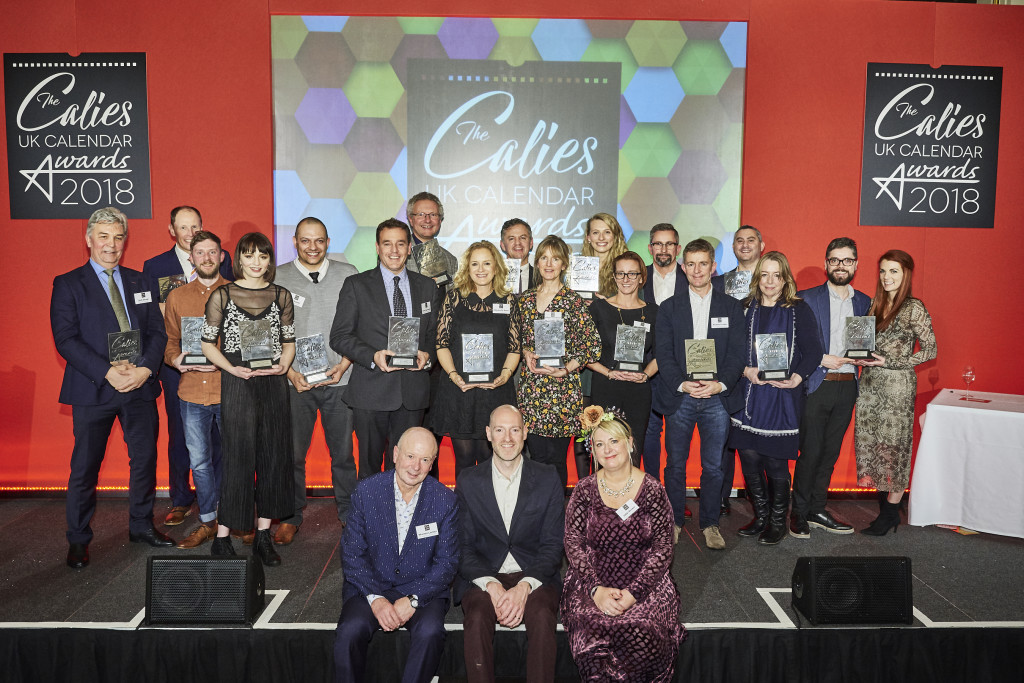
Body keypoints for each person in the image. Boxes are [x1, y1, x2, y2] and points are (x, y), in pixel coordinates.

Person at [51, 207, 174, 568]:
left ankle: (141, 525)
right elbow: (66, 340)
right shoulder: (68, 283)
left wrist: (146, 368)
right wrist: (108, 372)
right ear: (89, 240)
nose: (111, 244)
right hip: (94, 388)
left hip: (139, 386)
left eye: (118, 237)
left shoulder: (141, 282)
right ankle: (77, 540)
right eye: (103, 236)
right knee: (85, 468)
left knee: (145, 461)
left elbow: (157, 332)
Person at [562, 408, 685, 682]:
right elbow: (573, 542)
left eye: (614, 441)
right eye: (599, 444)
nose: (608, 449)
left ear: (630, 443)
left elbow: (664, 547)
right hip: (592, 579)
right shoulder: (584, 490)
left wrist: (634, 594)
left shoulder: (652, 489)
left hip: (645, 581)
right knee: (591, 626)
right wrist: (595, 589)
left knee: (642, 627)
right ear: (591, 450)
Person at [334, 427, 459, 683]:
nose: (416, 466)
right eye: (411, 456)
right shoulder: (366, 492)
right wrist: (376, 599)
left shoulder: (445, 500)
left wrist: (413, 599)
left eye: (425, 460)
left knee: (430, 632)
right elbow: (352, 554)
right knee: (349, 631)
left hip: (423, 589)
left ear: (433, 463)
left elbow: (447, 563)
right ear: (395, 454)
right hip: (369, 586)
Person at [200, 232, 295, 565]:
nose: (257, 263)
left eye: (263, 256)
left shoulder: (281, 295)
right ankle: (223, 540)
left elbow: (288, 340)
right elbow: (207, 343)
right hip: (238, 382)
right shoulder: (222, 295)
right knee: (238, 458)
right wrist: (230, 369)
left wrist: (284, 364)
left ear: (269, 260)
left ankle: (264, 537)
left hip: (272, 383)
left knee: (272, 457)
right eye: (250, 255)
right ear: (238, 258)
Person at [455, 405, 564, 683]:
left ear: (525, 433)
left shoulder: (547, 476)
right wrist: (490, 584)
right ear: (488, 434)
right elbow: (463, 546)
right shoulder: (468, 480)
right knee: (477, 616)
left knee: (540, 615)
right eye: (500, 430)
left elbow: (553, 545)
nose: (508, 438)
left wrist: (525, 585)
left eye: (515, 429)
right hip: (485, 573)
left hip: (534, 573)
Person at [142, 205, 233, 527]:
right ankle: (182, 500)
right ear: (173, 231)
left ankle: (227, 510)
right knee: (184, 441)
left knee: (226, 450)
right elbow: (159, 328)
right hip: (183, 377)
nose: (190, 232)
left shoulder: (231, 287)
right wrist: (174, 359)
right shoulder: (157, 269)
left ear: (220, 255)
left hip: (226, 383)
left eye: (195, 226)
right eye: (184, 227)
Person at [330, 219, 441, 478]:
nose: (394, 250)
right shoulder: (356, 285)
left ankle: (403, 518)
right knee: (369, 467)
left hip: (412, 393)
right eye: (387, 244)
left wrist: (427, 357)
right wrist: (372, 355)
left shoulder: (427, 286)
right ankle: (369, 518)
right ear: (377, 248)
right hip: (371, 391)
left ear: (409, 248)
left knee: (407, 468)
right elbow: (340, 336)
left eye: (401, 244)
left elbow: (435, 335)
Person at [653, 239, 745, 550]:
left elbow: (737, 354)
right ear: (683, 267)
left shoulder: (732, 307)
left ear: (713, 266)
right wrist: (682, 383)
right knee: (675, 464)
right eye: (690, 264)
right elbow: (663, 354)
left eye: (702, 263)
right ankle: (675, 520)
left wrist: (719, 384)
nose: (696, 270)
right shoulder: (669, 308)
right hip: (681, 396)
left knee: (714, 466)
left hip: (717, 398)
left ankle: (710, 524)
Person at [273, 217, 359, 544]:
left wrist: (345, 364)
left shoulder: (347, 274)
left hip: (341, 380)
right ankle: (291, 515)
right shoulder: (277, 276)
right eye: (306, 240)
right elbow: (270, 331)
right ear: (295, 241)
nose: (313, 247)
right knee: (292, 454)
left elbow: (359, 325)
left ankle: (349, 516)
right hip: (296, 384)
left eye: (319, 240)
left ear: (328, 241)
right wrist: (290, 373)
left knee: (343, 455)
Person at [728, 252, 822, 545]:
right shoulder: (744, 309)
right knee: (749, 458)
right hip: (748, 395)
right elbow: (729, 351)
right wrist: (744, 370)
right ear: (757, 278)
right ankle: (762, 516)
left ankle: (779, 521)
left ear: (785, 279)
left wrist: (797, 378)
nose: (770, 281)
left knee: (776, 463)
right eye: (764, 275)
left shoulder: (799, 310)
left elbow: (814, 351)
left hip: (781, 399)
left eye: (776, 275)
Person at [790, 238, 871, 539]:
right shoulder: (805, 299)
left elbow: (865, 345)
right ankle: (798, 513)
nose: (841, 265)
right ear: (826, 264)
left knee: (830, 453)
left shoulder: (864, 302)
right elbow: (793, 342)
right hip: (816, 383)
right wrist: (823, 358)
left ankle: (817, 508)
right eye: (835, 260)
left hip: (848, 385)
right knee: (810, 452)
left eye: (847, 260)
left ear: (855, 265)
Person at [854, 250, 937, 535]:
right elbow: (864, 344)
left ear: (906, 275)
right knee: (873, 445)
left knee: (894, 449)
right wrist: (860, 356)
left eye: (894, 271)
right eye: (883, 271)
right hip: (870, 386)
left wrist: (891, 361)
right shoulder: (873, 305)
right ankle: (885, 511)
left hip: (897, 387)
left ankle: (890, 514)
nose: (887, 277)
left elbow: (930, 350)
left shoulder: (913, 307)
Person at [162, 230, 231, 549]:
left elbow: (248, 345)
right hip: (191, 392)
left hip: (229, 392)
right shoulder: (176, 297)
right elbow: (170, 343)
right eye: (199, 252)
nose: (206, 257)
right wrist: (178, 360)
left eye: (212, 252)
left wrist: (222, 359)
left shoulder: (236, 293)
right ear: (191, 257)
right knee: (200, 463)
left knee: (234, 459)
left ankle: (233, 521)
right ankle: (207, 522)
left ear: (221, 256)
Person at [430, 241, 521, 477]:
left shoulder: (509, 301)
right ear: (467, 268)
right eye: (475, 264)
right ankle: (465, 512)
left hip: (496, 391)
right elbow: (441, 344)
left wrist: (505, 375)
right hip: (461, 392)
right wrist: (453, 376)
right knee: (465, 461)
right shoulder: (454, 299)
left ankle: (491, 512)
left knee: (494, 462)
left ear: (496, 267)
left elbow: (515, 347)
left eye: (487, 263)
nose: (481, 269)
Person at [517, 235, 601, 489]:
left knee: (555, 459)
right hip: (532, 388)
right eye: (543, 257)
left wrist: (567, 369)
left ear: (564, 263)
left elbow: (593, 346)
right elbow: (516, 339)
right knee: (535, 458)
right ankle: (536, 516)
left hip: (562, 391)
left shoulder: (574, 302)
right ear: (537, 262)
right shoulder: (525, 300)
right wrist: (525, 352)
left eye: (555, 258)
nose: (549, 263)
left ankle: (555, 517)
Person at [711, 225, 765, 517]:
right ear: (733, 247)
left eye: (751, 240)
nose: (745, 245)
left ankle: (762, 502)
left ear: (762, 245)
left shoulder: (773, 281)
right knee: (723, 436)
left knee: (759, 439)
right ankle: (720, 496)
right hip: (729, 370)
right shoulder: (719, 283)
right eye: (739, 241)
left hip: (765, 371)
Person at [587, 251, 658, 467]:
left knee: (633, 449)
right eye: (621, 274)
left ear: (641, 277)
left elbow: (663, 353)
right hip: (606, 386)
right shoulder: (598, 308)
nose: (626, 279)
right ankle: (602, 499)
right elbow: (584, 352)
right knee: (603, 449)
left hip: (638, 391)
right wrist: (608, 371)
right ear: (614, 277)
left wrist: (646, 375)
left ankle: (630, 499)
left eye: (632, 273)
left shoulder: (654, 312)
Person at [642, 224, 687, 484]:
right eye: (658, 244)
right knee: (648, 433)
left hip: (679, 370)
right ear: (650, 248)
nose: (663, 249)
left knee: (677, 437)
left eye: (669, 244)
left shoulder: (691, 279)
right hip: (644, 369)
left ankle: (674, 495)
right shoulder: (637, 277)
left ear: (678, 249)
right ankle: (651, 491)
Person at [406, 191, 459, 290]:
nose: (427, 220)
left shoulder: (451, 260)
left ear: (440, 220)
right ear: (411, 219)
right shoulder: (399, 254)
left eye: (433, 215)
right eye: (421, 214)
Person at [581, 212, 628, 299]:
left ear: (615, 237)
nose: (601, 238)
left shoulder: (626, 267)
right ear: (588, 237)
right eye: (595, 232)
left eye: (607, 232)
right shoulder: (577, 267)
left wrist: (607, 305)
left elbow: (635, 305)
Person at [498, 218, 534, 296]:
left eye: (523, 238)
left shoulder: (542, 277)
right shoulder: (493, 276)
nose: (517, 243)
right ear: (503, 245)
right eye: (511, 239)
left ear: (531, 243)